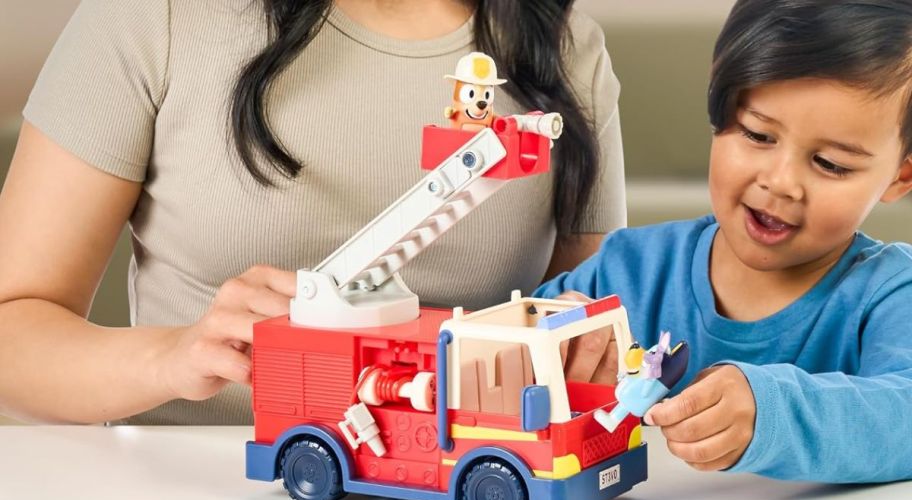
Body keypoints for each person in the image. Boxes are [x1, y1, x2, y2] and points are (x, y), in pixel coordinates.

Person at [0, 0, 627, 425]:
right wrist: (171, 357)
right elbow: (12, 327)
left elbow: (589, 319)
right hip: (188, 498)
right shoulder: (154, 17)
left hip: (456, 499)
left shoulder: (563, 48)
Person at [535, 0, 912, 483]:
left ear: (899, 176)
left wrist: (771, 414)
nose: (780, 182)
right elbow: (499, 354)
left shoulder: (889, 294)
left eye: (831, 164)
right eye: (757, 134)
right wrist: (546, 340)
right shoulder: (628, 271)